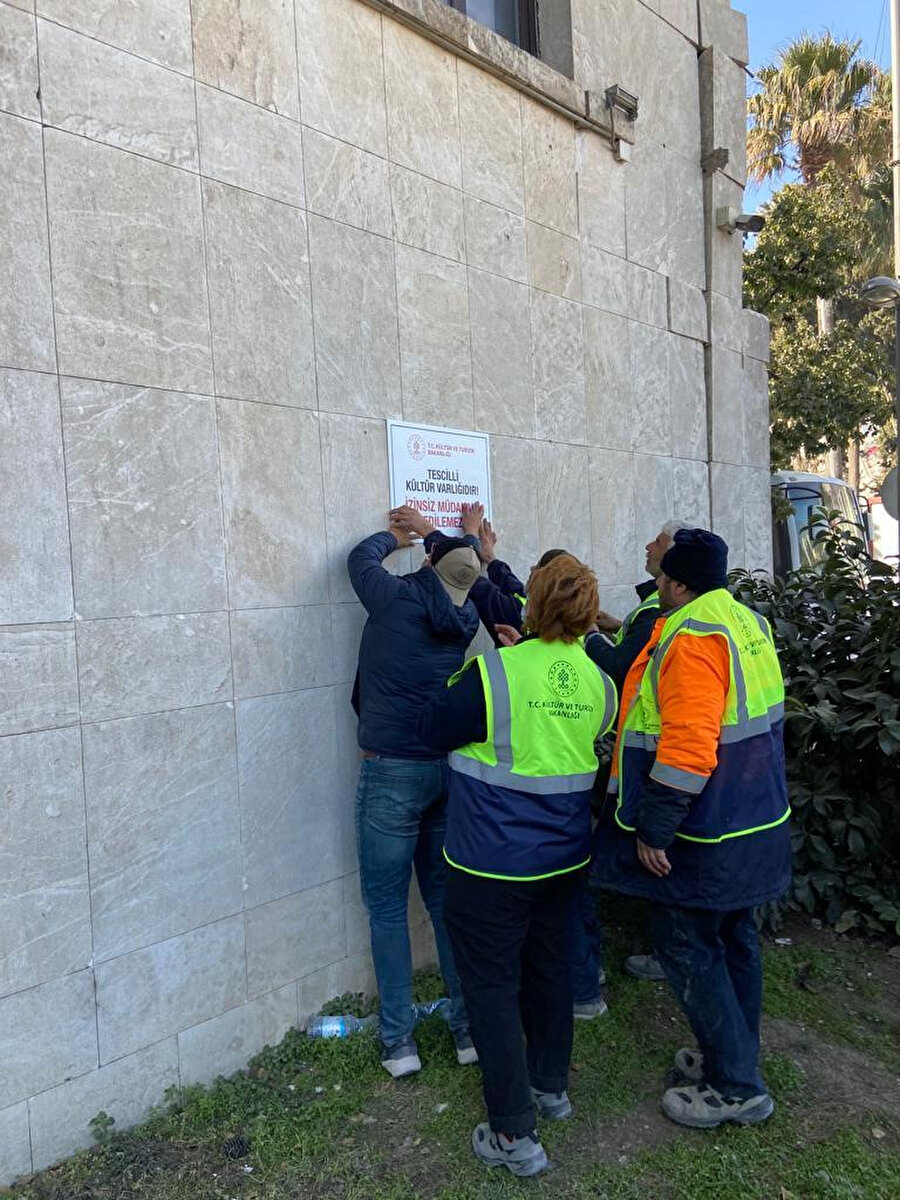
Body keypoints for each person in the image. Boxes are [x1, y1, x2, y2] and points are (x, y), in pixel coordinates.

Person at [418, 556, 618, 1176]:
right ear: (588, 613)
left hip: (490, 867)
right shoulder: (602, 685)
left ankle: (511, 1134)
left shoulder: (492, 674)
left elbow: (433, 728)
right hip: (564, 864)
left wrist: (505, 660)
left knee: (492, 990)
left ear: (530, 606)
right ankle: (549, 1088)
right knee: (552, 973)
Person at [592, 529, 791, 1129]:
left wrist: (654, 829)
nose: (657, 587)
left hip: (707, 830)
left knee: (688, 944)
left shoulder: (694, 637)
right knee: (736, 941)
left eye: (660, 580)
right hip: (756, 818)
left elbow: (686, 747)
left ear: (676, 582)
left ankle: (735, 1086)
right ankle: (734, 1055)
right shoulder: (745, 623)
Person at [348, 510, 483, 1079]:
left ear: (427, 562)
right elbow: (468, 568)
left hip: (391, 773)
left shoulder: (394, 598)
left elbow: (358, 559)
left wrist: (398, 537)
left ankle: (399, 1043)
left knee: (386, 908)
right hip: (442, 772)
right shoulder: (469, 615)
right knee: (443, 904)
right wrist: (457, 541)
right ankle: (467, 1032)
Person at [577, 519, 691, 995]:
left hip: (660, 763)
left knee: (661, 860)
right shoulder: (661, 605)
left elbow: (627, 668)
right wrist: (617, 626)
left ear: (678, 567)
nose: (648, 545)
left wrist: (587, 635)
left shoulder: (679, 617)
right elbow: (644, 640)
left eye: (658, 543)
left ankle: (672, 952)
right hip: (661, 762)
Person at [389, 504, 568, 645]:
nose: (531, 568)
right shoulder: (561, 616)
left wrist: (429, 531)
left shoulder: (517, 616)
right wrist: (491, 559)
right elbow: (514, 587)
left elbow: (467, 574)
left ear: (545, 582)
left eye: (537, 567)